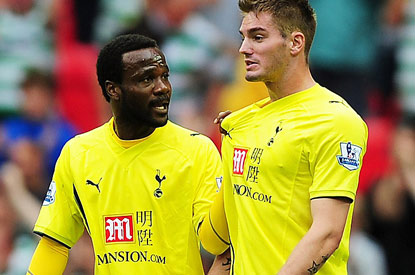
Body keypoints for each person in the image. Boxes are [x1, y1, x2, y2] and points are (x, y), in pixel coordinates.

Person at [26, 34, 228, 274]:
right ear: (113, 89)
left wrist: (232, 175)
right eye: (146, 79)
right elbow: (54, 245)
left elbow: (215, 243)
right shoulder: (78, 154)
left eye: (165, 76)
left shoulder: (197, 150)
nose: (162, 88)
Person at [212, 0, 368, 274]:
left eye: (257, 37)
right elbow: (225, 244)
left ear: (296, 42)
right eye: (243, 37)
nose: (243, 48)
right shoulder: (239, 124)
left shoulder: (335, 120)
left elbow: (327, 233)